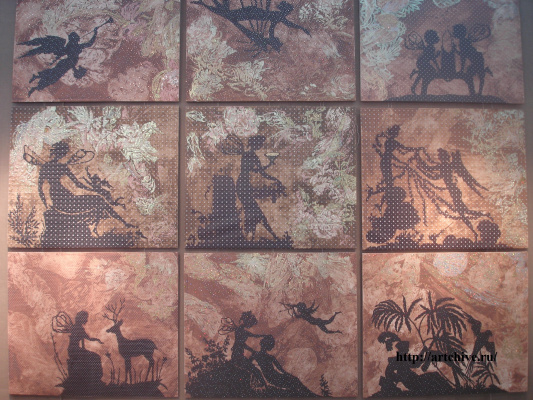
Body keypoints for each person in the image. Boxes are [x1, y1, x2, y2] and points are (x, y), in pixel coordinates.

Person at [37, 141, 136, 235]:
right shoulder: (61, 167)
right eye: (63, 154)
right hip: (66, 202)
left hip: (63, 200)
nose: (63, 156)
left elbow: (41, 189)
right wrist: (93, 190)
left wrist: (46, 204)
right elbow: (77, 184)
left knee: (99, 200)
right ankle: (123, 223)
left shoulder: (49, 167)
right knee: (99, 200)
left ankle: (120, 223)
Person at [236, 135, 285, 241]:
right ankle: (272, 236)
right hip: (243, 186)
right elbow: (262, 173)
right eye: (260, 144)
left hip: (243, 185)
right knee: (255, 211)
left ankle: (251, 236)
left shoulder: (248, 155)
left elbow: (257, 171)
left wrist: (269, 165)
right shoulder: (251, 156)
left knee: (251, 211)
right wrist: (276, 179)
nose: (261, 145)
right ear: (256, 144)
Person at [250, 335, 315, 396]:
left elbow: (281, 370)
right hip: (274, 378)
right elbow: (281, 370)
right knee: (294, 381)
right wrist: (290, 376)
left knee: (294, 381)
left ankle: (308, 394)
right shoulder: (269, 357)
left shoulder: (257, 355)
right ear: (269, 346)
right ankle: (309, 394)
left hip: (273, 377)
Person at [67, 311, 104, 382]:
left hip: (74, 350)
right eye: (85, 318)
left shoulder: (76, 327)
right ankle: (96, 378)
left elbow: (87, 338)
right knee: (96, 357)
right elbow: (88, 338)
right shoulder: (78, 328)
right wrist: (97, 340)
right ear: (81, 318)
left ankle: (94, 378)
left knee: (93, 357)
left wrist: (97, 339)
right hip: (75, 350)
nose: (86, 320)